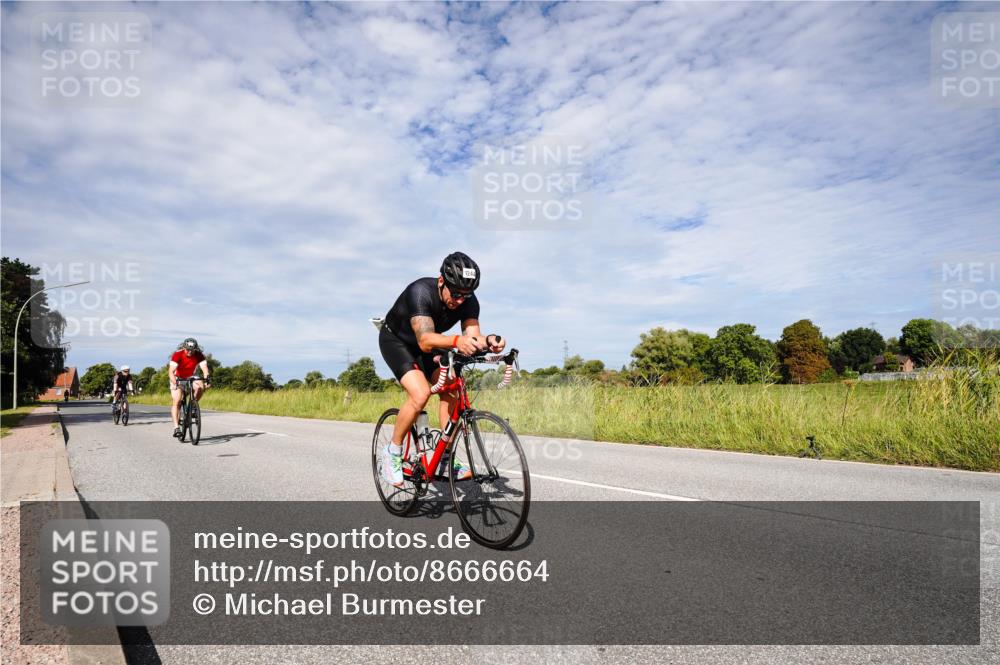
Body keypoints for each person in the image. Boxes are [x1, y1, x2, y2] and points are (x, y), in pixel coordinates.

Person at [378, 252, 505, 487]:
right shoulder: (420, 292)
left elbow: (473, 337)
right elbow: (425, 340)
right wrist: (456, 341)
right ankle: (392, 452)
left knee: (452, 389)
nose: (459, 300)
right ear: (441, 282)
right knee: (421, 394)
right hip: (398, 342)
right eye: (455, 293)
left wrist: (491, 341)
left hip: (432, 345)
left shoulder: (468, 301)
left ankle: (445, 457)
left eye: (465, 295)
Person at [169, 338, 211, 438]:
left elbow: (205, 369)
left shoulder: (199, 355)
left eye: (192, 350)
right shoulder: (178, 354)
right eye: (187, 349)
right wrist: (175, 382)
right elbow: (171, 371)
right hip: (177, 377)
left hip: (190, 376)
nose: (189, 352)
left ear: (195, 349)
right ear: (184, 347)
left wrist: (207, 378)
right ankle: (176, 428)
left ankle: (192, 406)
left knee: (201, 387)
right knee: (177, 400)